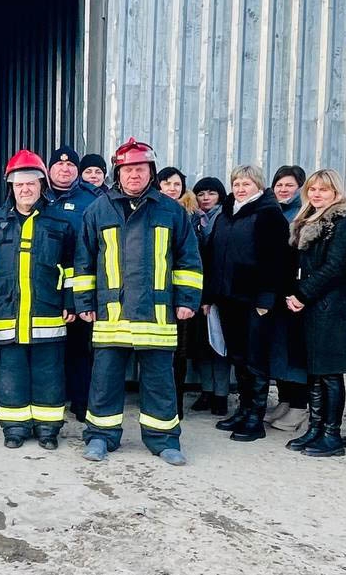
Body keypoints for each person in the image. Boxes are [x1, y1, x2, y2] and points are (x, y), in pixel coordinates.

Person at [73, 139, 202, 465]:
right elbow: (84, 261)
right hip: (111, 312)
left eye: (140, 169)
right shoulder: (98, 209)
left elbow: (189, 260)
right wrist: (84, 300)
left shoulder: (171, 210)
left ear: (151, 172)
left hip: (156, 312)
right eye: (128, 169)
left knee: (160, 380)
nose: (134, 175)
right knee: (104, 380)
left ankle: (163, 440)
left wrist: (187, 299)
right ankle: (100, 436)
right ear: (118, 172)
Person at [0, 150, 75, 449]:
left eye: (31, 184)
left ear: (42, 185)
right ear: (10, 188)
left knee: (48, 374)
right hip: (8, 311)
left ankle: (48, 428)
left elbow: (72, 266)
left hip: (48, 313)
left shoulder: (60, 223)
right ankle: (14, 427)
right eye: (19, 185)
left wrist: (71, 300)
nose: (25, 189)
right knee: (12, 373)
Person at [202, 165, 290, 442]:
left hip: (254, 300)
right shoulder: (226, 213)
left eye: (247, 184)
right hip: (228, 297)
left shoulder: (269, 214)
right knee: (237, 356)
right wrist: (210, 296)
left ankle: (256, 417)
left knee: (255, 359)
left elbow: (277, 262)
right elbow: (214, 255)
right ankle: (243, 408)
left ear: (259, 187)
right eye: (237, 183)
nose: (240, 189)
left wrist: (266, 298)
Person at [284, 169, 346, 458]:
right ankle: (315, 428)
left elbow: (335, 266)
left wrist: (303, 294)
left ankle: (331, 434)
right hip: (310, 306)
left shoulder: (342, 223)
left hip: (330, 307)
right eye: (313, 189)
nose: (316, 194)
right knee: (314, 373)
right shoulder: (306, 221)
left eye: (323, 190)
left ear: (336, 193)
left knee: (329, 374)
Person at [45, 145, 103, 421]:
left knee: (80, 347)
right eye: (59, 164)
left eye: (70, 165)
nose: (65, 169)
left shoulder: (92, 200)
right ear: (49, 169)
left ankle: (81, 402)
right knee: (48, 348)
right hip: (43, 286)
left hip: (80, 283)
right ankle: (52, 400)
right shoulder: (37, 195)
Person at [156, 165, 201, 417]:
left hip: (180, 294)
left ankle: (177, 406)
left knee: (178, 354)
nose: (172, 188)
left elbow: (195, 258)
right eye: (167, 184)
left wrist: (190, 296)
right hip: (156, 294)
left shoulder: (192, 216)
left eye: (176, 184)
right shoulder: (151, 211)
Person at [269, 165, 310, 426]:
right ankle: (284, 401)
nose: (283, 189)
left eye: (289, 185)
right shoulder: (273, 211)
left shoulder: (302, 215)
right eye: (279, 185)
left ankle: (299, 405)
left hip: (296, 293)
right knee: (279, 349)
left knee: (296, 350)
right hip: (277, 290)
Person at [188, 176, 229, 415]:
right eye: (201, 194)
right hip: (197, 290)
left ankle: (221, 396)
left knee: (219, 346)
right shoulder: (194, 220)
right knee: (202, 346)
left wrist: (211, 296)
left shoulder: (224, 218)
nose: (205, 198)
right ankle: (206, 391)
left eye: (211, 193)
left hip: (217, 291)